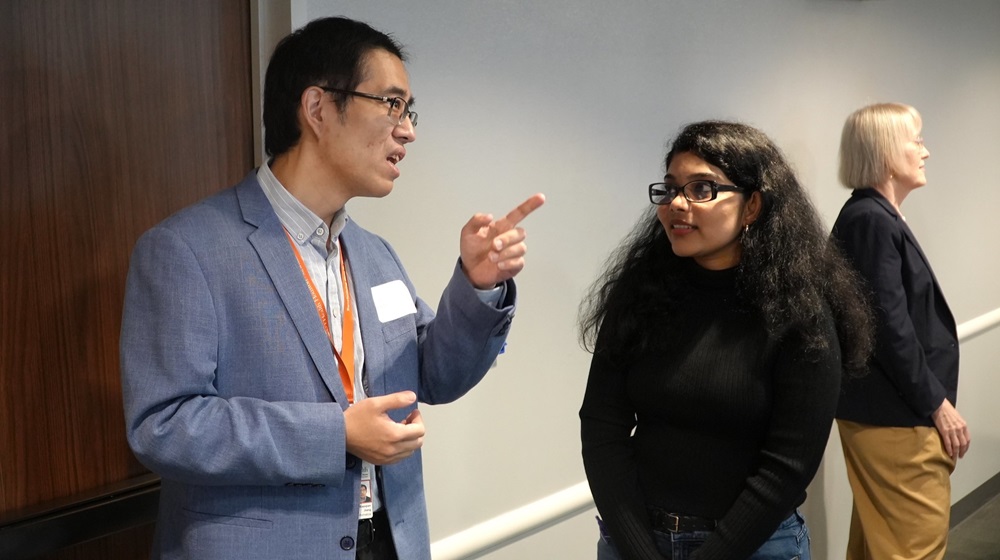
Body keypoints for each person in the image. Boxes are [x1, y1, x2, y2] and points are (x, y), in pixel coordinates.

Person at [120, 16, 544, 560]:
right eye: (392, 104)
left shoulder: (373, 253)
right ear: (317, 108)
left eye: (409, 111)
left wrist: (478, 286)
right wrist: (334, 433)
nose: (408, 129)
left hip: (390, 540)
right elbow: (165, 425)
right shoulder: (186, 249)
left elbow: (432, 376)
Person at [579, 120, 872, 559]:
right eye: (672, 188)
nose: (677, 204)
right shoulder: (641, 296)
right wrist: (639, 549)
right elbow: (602, 425)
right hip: (635, 542)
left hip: (754, 547)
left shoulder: (800, 316)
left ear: (752, 206)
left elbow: (788, 465)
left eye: (702, 189)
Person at [831, 102, 968, 560]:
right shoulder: (870, 220)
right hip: (897, 419)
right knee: (916, 548)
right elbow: (889, 327)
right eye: (917, 140)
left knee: (877, 548)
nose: (925, 152)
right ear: (887, 152)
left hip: (887, 414)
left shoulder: (872, 217)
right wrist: (938, 405)